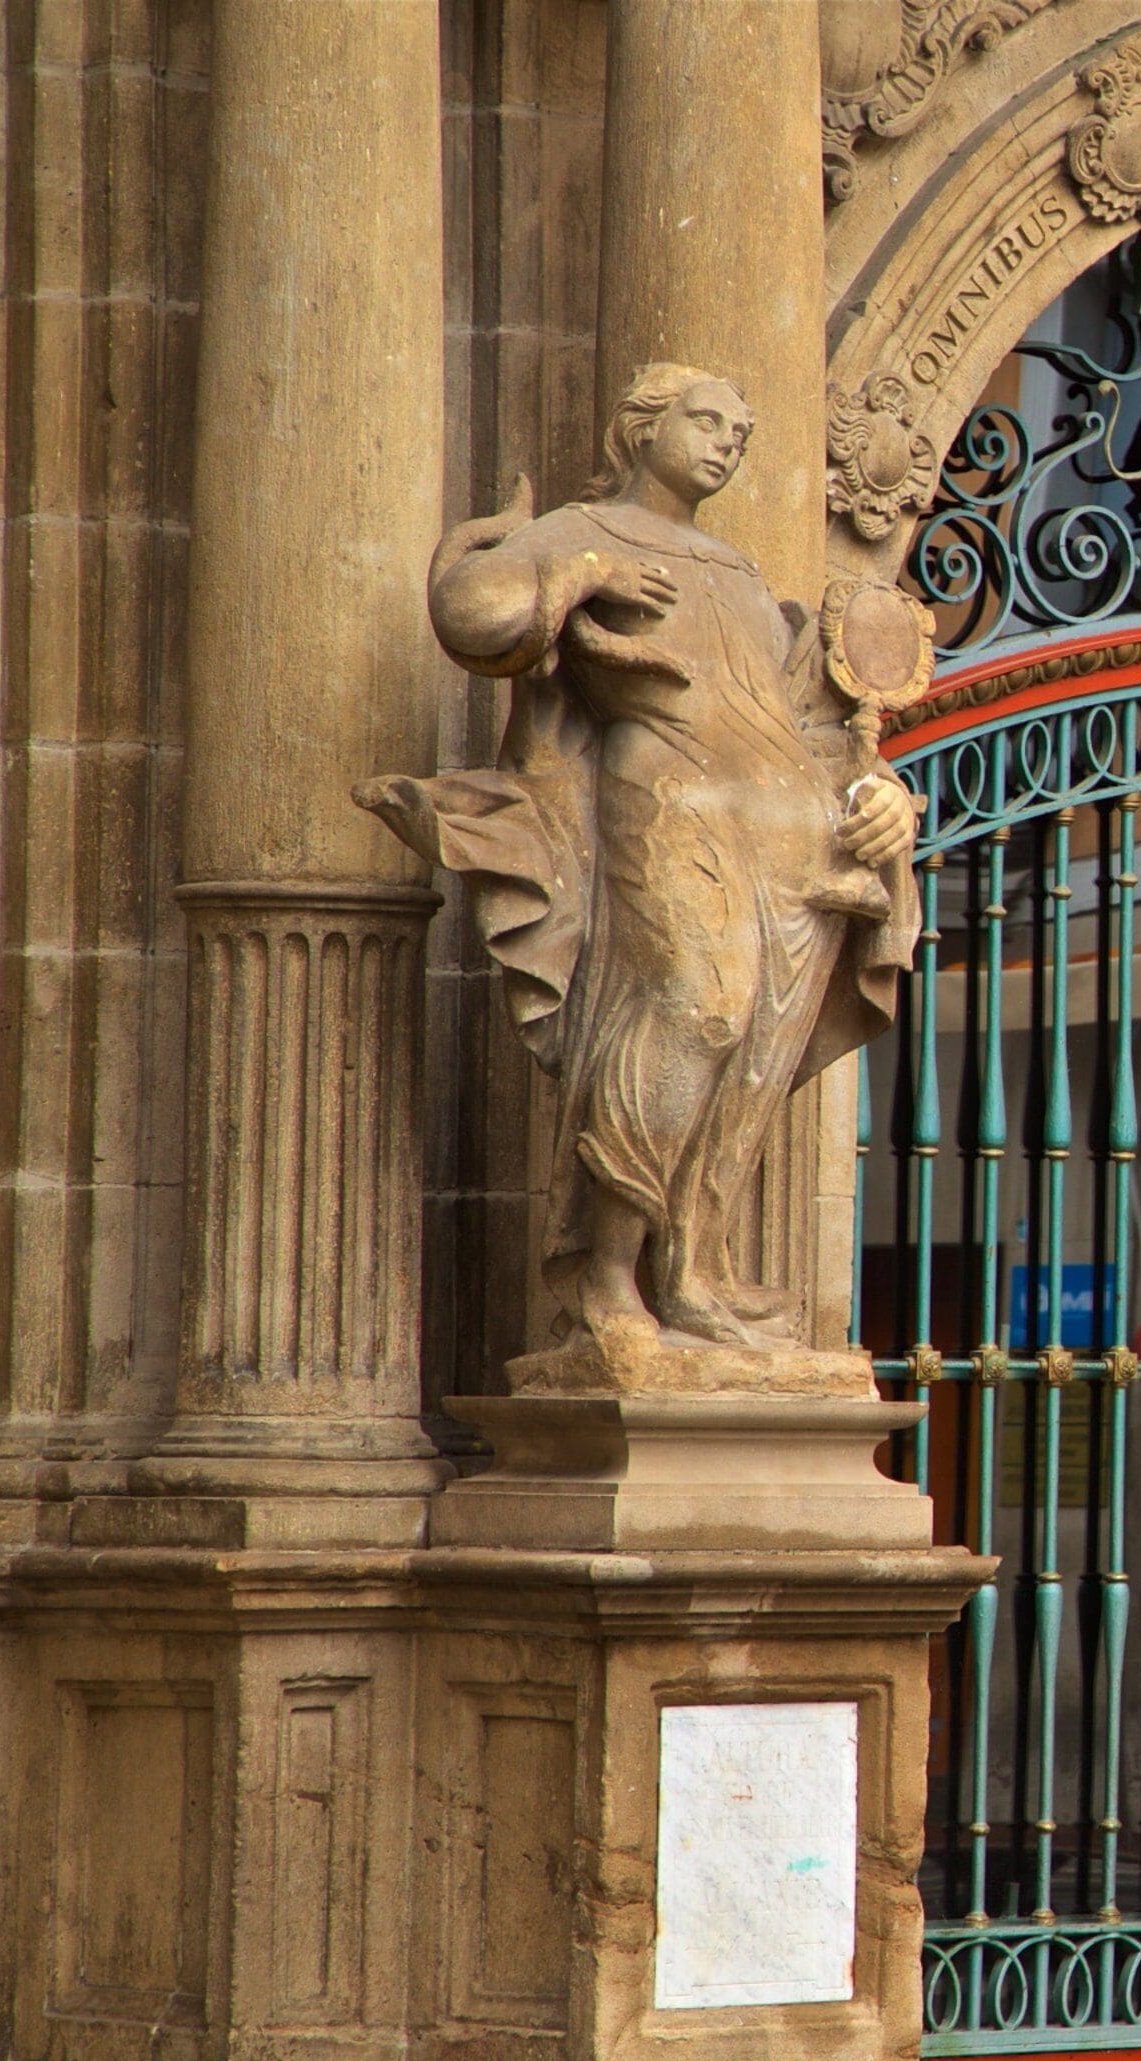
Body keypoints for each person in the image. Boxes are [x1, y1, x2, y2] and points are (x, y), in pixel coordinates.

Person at [362, 363, 919, 1358]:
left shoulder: (742, 573)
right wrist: (580, 577)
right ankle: (607, 1274)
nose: (727, 443)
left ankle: (693, 1269)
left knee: (757, 1052)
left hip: (787, 845)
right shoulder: (581, 532)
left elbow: (812, 726)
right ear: (640, 427)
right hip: (668, 805)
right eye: (707, 421)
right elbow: (473, 615)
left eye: (741, 433)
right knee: (698, 1013)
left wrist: (885, 803)